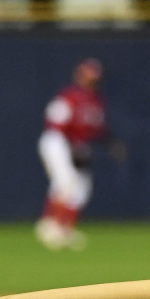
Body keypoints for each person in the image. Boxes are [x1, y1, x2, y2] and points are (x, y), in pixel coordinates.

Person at [35, 58, 126, 251]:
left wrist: (110, 144)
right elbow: (55, 125)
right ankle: (51, 227)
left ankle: (64, 228)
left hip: (78, 144)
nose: (91, 80)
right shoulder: (70, 96)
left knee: (81, 188)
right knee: (65, 181)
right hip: (58, 141)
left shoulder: (97, 101)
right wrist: (71, 148)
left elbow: (98, 130)